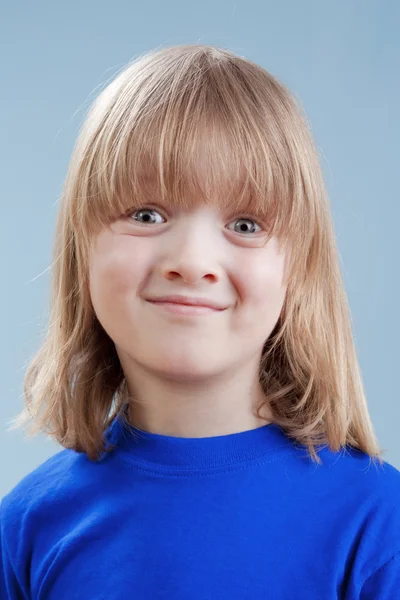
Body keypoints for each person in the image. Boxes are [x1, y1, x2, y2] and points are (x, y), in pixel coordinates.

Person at [1, 43, 399, 599]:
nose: (190, 261)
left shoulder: (378, 524)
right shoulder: (27, 527)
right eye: (146, 214)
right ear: (81, 250)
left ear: (298, 269)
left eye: (245, 224)